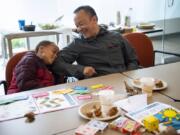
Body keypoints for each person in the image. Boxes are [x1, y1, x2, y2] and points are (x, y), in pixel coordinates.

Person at [52, 5, 138, 80]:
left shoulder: (116, 36)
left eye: (81, 24)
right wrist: (81, 70)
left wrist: (128, 75)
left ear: (94, 19)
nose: (79, 29)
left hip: (124, 80)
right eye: (77, 26)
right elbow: (57, 64)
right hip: (98, 85)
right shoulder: (77, 43)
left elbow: (133, 60)